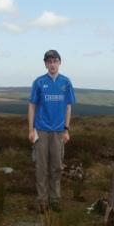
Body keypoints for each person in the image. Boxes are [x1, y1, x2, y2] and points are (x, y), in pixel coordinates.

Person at [28, 50, 76, 213]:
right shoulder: (39, 82)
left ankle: (55, 200)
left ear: (60, 62)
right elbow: (32, 106)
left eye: (55, 61)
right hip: (41, 131)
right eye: (49, 61)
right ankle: (42, 201)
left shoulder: (66, 82)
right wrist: (30, 130)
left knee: (56, 167)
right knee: (41, 168)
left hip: (58, 132)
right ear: (45, 64)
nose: (52, 64)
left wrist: (66, 129)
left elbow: (68, 107)